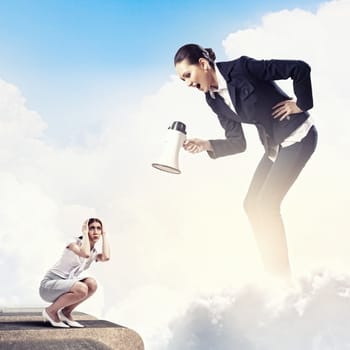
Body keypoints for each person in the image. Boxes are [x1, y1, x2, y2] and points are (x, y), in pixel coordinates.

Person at [174, 43, 317, 278]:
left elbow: (300, 68)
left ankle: (282, 277)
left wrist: (301, 104)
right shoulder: (213, 100)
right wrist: (207, 144)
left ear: (202, 64)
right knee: (251, 205)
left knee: (267, 204)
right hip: (274, 145)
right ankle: (271, 270)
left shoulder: (242, 68)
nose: (188, 83)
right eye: (182, 80)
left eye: (188, 75)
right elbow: (237, 143)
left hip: (298, 136)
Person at [39, 218, 110, 328]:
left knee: (92, 284)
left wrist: (105, 235)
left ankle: (66, 312)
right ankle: (50, 311)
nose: (96, 231)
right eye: (92, 228)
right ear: (86, 229)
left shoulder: (93, 252)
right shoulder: (73, 242)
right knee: (82, 288)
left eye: (98, 228)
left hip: (66, 286)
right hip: (49, 286)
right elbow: (84, 253)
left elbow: (106, 257)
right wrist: (85, 234)